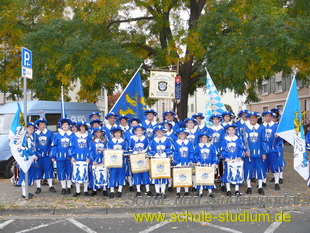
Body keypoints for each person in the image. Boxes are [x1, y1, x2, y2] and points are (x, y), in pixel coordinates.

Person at [243, 112, 267, 195]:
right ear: (248, 119)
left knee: (260, 169)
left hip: (259, 153)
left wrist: (264, 152)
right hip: (248, 154)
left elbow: (263, 141)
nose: (252, 119)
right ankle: (249, 186)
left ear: (257, 118)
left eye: (254, 118)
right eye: (251, 118)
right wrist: (245, 151)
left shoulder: (261, 128)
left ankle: (260, 186)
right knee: (248, 169)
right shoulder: (245, 128)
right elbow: (243, 141)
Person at [148, 125, 174, 199]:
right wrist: (154, 153)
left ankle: (163, 192)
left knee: (163, 176)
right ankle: (157, 192)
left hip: (164, 161)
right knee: (156, 176)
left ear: (163, 132)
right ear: (155, 132)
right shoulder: (152, 141)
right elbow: (149, 150)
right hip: (155, 161)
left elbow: (171, 149)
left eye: (161, 131)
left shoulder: (167, 140)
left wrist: (166, 153)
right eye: (157, 131)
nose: (159, 132)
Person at [221, 123, 246, 196]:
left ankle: (237, 190)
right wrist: (225, 157)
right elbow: (223, 150)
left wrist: (240, 156)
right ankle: (228, 189)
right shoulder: (225, 140)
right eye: (230, 130)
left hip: (236, 160)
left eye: (233, 130)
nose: (231, 131)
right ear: (227, 131)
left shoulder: (238, 139)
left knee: (237, 173)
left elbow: (241, 149)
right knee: (228, 174)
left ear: (235, 130)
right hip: (228, 160)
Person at [51, 118, 74, 195]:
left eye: (66, 125)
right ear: (61, 126)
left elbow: (74, 147)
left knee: (69, 171)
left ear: (69, 126)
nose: (65, 126)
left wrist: (72, 156)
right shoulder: (57, 135)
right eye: (63, 125)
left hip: (69, 157)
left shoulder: (72, 135)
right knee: (61, 172)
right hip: (60, 157)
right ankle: (63, 188)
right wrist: (53, 156)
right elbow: (54, 146)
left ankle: (69, 187)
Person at [33, 118, 56, 194]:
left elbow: (53, 144)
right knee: (38, 171)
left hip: (47, 156)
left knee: (49, 170)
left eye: (43, 124)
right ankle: (38, 187)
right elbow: (33, 146)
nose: (42, 126)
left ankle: (50, 186)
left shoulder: (49, 133)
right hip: (38, 156)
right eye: (41, 125)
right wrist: (35, 155)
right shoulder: (35, 134)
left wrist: (52, 155)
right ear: (38, 126)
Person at [129, 125, 153, 197]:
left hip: (143, 158)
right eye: (137, 130)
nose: (139, 132)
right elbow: (129, 148)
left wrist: (145, 151)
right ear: (135, 131)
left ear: (143, 131)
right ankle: (138, 190)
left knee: (145, 173)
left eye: (140, 130)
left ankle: (148, 190)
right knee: (136, 173)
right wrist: (133, 152)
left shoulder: (145, 139)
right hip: (135, 158)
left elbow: (149, 147)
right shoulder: (132, 139)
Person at [262, 111, 283, 190]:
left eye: (270, 116)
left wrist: (278, 136)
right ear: (264, 117)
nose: (268, 118)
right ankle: (263, 181)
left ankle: (276, 182)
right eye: (266, 116)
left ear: (272, 117)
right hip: (264, 149)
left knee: (275, 166)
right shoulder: (261, 127)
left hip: (273, 149)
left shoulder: (276, 126)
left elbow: (281, 139)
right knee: (263, 166)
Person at [194, 131, 218, 198]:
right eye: (203, 138)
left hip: (209, 164)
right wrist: (197, 161)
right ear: (201, 139)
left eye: (205, 138)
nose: (204, 139)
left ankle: (210, 192)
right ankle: (200, 191)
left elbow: (214, 155)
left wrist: (215, 163)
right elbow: (195, 155)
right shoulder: (198, 147)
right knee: (200, 177)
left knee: (209, 177)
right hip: (201, 165)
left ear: (208, 139)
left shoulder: (211, 146)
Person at [71, 121, 92, 197]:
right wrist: (72, 156)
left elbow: (90, 148)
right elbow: (72, 147)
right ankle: (78, 190)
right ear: (79, 128)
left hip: (85, 157)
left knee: (85, 173)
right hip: (77, 157)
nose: (82, 128)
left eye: (84, 127)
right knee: (77, 173)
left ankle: (86, 190)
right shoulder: (74, 136)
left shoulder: (88, 136)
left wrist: (89, 157)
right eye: (81, 127)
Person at [107, 126, 129, 198]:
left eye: (119, 133)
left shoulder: (124, 142)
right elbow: (108, 151)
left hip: (121, 162)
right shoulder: (110, 142)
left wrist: (123, 153)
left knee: (121, 175)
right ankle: (112, 190)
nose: (117, 134)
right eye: (116, 133)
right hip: (113, 162)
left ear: (121, 134)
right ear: (114, 134)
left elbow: (127, 151)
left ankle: (120, 190)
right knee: (112, 175)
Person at [18, 122, 38, 199]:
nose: (31, 129)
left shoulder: (31, 137)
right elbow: (25, 149)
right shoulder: (24, 137)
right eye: (29, 127)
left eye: (32, 128)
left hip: (30, 160)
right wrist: (33, 155)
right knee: (24, 176)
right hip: (25, 159)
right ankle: (24, 193)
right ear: (26, 128)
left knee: (28, 176)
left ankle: (27, 192)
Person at [173, 128, 194, 197]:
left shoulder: (189, 143)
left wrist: (190, 160)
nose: (182, 135)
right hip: (179, 162)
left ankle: (186, 191)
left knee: (186, 175)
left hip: (186, 161)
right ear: (178, 135)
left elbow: (191, 152)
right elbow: (174, 153)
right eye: (180, 134)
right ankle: (178, 191)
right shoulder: (176, 143)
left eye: (183, 134)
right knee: (178, 175)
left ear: (185, 135)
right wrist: (177, 161)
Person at [207, 114, 226, 191]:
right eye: (214, 119)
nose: (215, 121)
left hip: (220, 150)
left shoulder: (222, 129)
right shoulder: (209, 129)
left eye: (217, 119)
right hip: (212, 150)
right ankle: (212, 181)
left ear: (219, 120)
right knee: (213, 165)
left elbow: (224, 140)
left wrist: (222, 149)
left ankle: (222, 182)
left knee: (221, 166)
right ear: (212, 120)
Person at [89, 127, 108, 196]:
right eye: (97, 132)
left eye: (100, 132)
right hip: (95, 161)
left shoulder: (105, 141)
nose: (98, 134)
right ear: (94, 133)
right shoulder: (92, 142)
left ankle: (104, 189)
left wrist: (105, 160)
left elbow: (107, 152)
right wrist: (93, 160)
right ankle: (94, 189)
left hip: (103, 161)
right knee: (94, 174)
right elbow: (90, 152)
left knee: (104, 174)